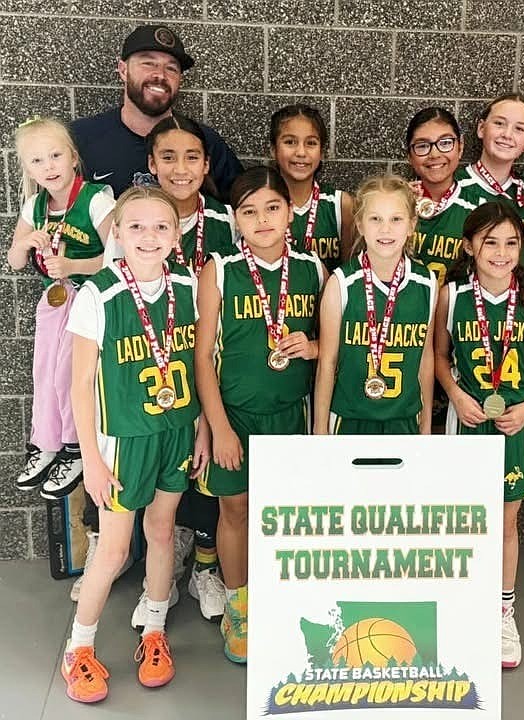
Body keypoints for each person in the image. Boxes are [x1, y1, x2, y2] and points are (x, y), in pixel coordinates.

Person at [62, 186, 207, 703]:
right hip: (123, 440)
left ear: (178, 233)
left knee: (164, 531)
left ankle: (153, 631)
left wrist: (202, 428)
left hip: (176, 431)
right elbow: (79, 386)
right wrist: (92, 461)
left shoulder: (189, 286)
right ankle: (78, 647)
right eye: (137, 226)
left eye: (161, 226)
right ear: (117, 232)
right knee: (116, 547)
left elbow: (198, 365)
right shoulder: (97, 293)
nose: (149, 236)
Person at [195, 166, 324, 664]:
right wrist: (220, 428)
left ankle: (282, 596)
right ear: (235, 219)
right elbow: (202, 357)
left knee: (284, 512)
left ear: (289, 211)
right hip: (238, 416)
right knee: (235, 510)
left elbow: (330, 343)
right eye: (249, 211)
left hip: (292, 412)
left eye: (272, 207)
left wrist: (312, 346)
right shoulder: (220, 269)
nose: (263, 219)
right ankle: (238, 604)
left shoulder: (313, 268)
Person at [435, 201, 524, 668]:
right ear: (470, 246)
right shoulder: (450, 296)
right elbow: (438, 358)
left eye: (511, 242)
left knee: (505, 524)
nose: (502, 251)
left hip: (514, 428)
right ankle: (457, 603)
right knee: (460, 519)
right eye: (491, 241)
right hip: (466, 424)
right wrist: (455, 394)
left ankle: (502, 610)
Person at [123, 113, 237, 630]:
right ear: (150, 165)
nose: (181, 167)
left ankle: (205, 569)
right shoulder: (137, 218)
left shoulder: (226, 221)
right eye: (167, 156)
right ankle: (159, 574)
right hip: (151, 364)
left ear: (206, 164)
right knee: (164, 480)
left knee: (207, 465)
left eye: (192, 156)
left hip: (205, 359)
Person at [9, 118, 114, 500]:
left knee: (67, 375)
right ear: (28, 169)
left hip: (89, 300)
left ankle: (75, 449)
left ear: (73, 157)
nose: (48, 166)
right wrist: (26, 243)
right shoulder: (35, 205)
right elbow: (15, 261)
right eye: (37, 161)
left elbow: (119, 256)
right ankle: (47, 443)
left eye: (55, 155)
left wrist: (73, 267)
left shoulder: (95, 198)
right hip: (53, 299)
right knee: (44, 373)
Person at [314, 175, 436, 436]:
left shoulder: (427, 282)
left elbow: (425, 357)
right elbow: (327, 361)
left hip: (405, 418)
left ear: (412, 225)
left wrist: (426, 426)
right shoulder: (341, 283)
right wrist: (320, 430)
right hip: (348, 417)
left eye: (396, 219)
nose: (385, 229)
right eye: (375, 219)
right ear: (359, 223)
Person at [71, 24, 242, 200]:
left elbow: (244, 208)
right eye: (148, 63)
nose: (160, 75)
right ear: (123, 70)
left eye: (171, 68)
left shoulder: (205, 142)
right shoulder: (81, 138)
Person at [456, 93, 524, 273]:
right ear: (481, 128)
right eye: (499, 123)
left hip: (518, 300)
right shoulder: (452, 186)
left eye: (519, 129)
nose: (507, 134)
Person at [270, 104, 353, 271]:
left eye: (311, 143)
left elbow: (350, 271)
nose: (301, 152)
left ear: (322, 152)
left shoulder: (341, 204)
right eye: (290, 142)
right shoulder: (259, 204)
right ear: (273, 150)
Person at [406, 107, 475, 287]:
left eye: (445, 143)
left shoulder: (478, 208)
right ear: (410, 156)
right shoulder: (396, 204)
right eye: (422, 146)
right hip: (404, 311)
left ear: (460, 147)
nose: (434, 154)